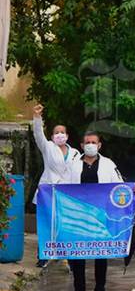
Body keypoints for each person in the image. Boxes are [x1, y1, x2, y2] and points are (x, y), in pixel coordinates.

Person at [64, 131, 127, 291]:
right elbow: (62, 188)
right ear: (82, 146)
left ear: (99, 145)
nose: (90, 145)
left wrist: (131, 191)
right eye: (87, 142)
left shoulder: (108, 164)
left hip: (101, 215)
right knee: (78, 253)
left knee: (101, 253)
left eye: (94, 142)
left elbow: (119, 185)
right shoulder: (73, 165)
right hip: (78, 215)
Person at [31, 104, 80, 268]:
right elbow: (38, 134)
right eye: (56, 132)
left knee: (66, 224)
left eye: (62, 132)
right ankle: (43, 256)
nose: (60, 135)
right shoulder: (48, 148)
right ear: (52, 136)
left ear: (67, 135)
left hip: (67, 194)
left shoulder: (75, 153)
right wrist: (37, 117)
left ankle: (67, 256)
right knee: (46, 223)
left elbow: (78, 172)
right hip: (48, 191)